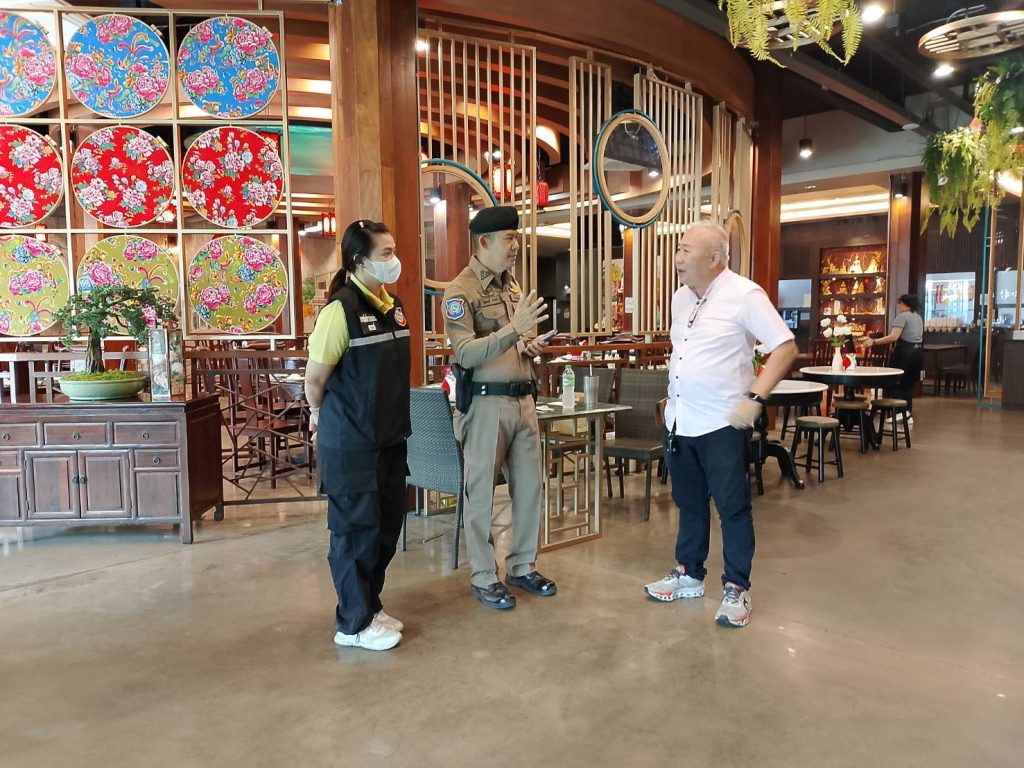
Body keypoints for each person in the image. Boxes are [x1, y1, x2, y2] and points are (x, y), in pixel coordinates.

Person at [644, 221, 797, 628]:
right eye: (678, 249)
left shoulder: (744, 295)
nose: (677, 258)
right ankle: (689, 573)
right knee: (689, 503)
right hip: (680, 420)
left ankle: (736, 588)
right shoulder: (680, 298)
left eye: (685, 250)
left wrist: (755, 398)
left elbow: (784, 347)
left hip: (723, 423)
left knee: (732, 508)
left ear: (714, 258)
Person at [442, 206, 556, 610]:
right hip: (486, 405)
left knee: (529, 489)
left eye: (516, 238)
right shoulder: (460, 291)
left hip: (524, 399)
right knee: (481, 495)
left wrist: (527, 345)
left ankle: (522, 566)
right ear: (484, 242)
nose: (515, 246)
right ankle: (484, 575)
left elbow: (510, 343)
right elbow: (466, 352)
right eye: (508, 238)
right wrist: (513, 331)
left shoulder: (512, 286)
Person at [304, 219, 411, 651]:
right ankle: (352, 624)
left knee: (385, 529)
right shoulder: (339, 311)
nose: (393, 260)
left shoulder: (393, 306)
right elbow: (315, 379)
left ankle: (370, 605)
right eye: (386, 253)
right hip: (351, 443)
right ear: (359, 261)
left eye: (393, 250)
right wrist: (317, 414)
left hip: (389, 438)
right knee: (354, 533)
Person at [862, 294, 923, 422]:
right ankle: (907, 413)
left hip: (904, 353)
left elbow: (894, 337)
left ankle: (898, 412)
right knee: (908, 384)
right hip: (918, 353)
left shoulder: (902, 317)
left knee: (896, 381)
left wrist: (874, 341)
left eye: (900, 304)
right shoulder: (918, 317)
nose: (899, 306)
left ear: (905, 304)